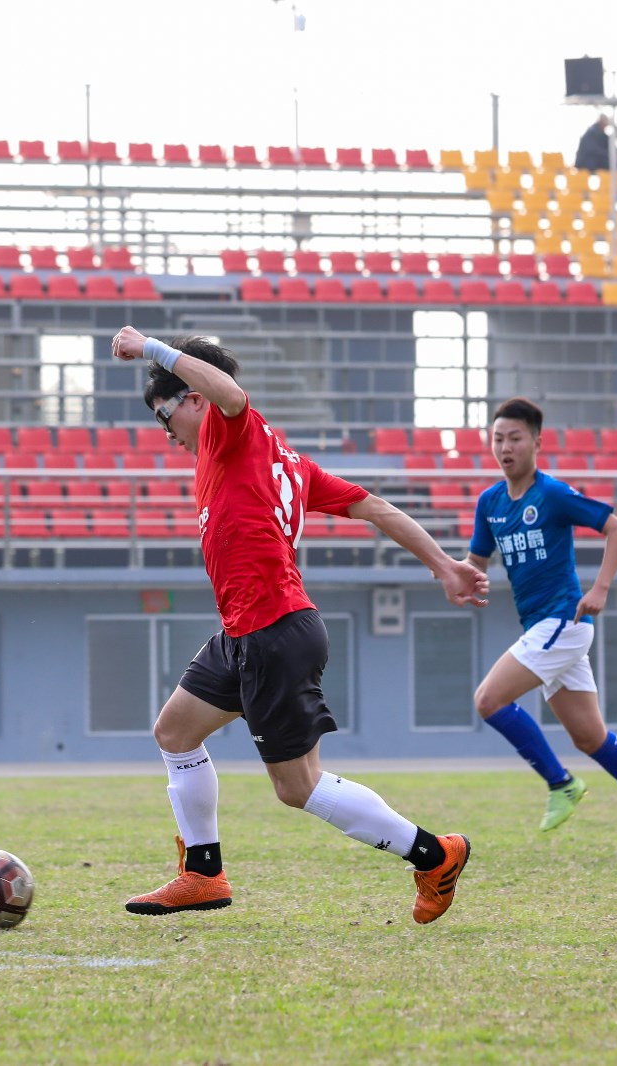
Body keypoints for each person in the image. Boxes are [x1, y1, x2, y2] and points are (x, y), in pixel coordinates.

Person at [109, 328, 489, 925]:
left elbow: (233, 396)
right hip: (245, 632)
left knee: (298, 787)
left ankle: (436, 855)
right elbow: (375, 506)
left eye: (164, 416)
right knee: (175, 732)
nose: (166, 432)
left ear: (194, 399)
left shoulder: (232, 429)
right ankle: (203, 874)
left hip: (274, 630)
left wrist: (153, 348)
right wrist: (444, 564)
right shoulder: (286, 462)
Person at [468, 398, 617, 855]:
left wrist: (600, 589)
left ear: (537, 442)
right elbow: (476, 562)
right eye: (498, 439)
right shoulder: (490, 503)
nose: (505, 447)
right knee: (590, 737)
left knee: (489, 700)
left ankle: (561, 784)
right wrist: (461, 579)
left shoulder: (552, 494)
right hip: (543, 627)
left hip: (563, 621)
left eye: (515, 438)